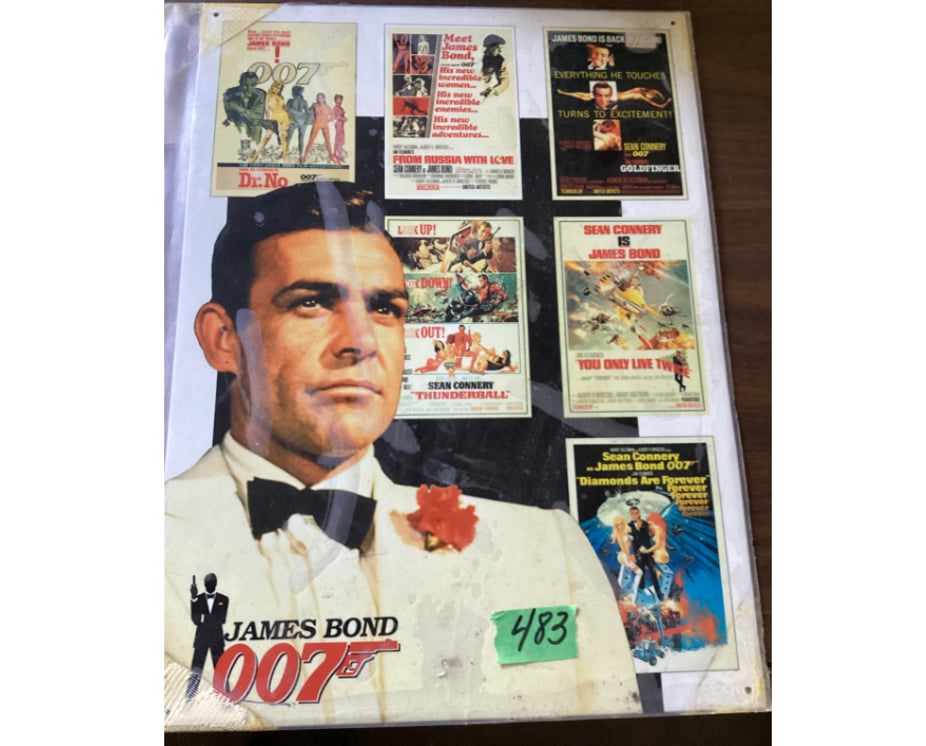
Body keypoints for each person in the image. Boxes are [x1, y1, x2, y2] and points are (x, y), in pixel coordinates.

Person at [165, 182, 639, 727]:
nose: (360, 341)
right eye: (311, 302)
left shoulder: (544, 550)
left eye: (384, 308)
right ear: (223, 338)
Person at [186, 573, 229, 701]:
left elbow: (221, 619)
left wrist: (203, 618)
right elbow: (195, 619)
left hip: (216, 640)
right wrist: (193, 598)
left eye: (212, 584)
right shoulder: (197, 599)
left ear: (215, 584)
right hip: (201, 639)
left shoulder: (224, 599)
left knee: (221, 670)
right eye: (208, 584)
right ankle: (189, 698)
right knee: (196, 670)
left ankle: (226, 699)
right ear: (204, 585)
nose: (210, 586)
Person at [247, 80, 291, 163]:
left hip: (285, 117)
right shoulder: (268, 96)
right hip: (274, 118)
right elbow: (267, 109)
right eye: (277, 87)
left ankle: (285, 157)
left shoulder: (281, 97)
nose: (278, 90)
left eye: (280, 88)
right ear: (273, 87)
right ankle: (255, 157)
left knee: (284, 137)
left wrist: (289, 116)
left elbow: (285, 108)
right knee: (267, 137)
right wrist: (268, 120)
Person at [222, 71, 267, 144]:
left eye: (252, 85)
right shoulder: (230, 94)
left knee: (256, 127)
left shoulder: (260, 94)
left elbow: (257, 117)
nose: (249, 89)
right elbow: (231, 117)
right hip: (237, 126)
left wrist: (237, 108)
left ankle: (254, 147)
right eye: (245, 85)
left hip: (253, 127)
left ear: (256, 84)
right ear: (240, 83)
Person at [556, 82, 672, 110]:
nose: (653, 93)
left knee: (584, 96)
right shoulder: (640, 90)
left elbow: (659, 106)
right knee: (584, 95)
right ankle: (565, 93)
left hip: (614, 97)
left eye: (654, 94)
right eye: (654, 92)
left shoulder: (641, 97)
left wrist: (666, 102)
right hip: (613, 94)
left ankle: (565, 93)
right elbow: (641, 89)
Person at [301, 92, 334, 164]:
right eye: (318, 97)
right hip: (317, 124)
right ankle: (304, 157)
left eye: (321, 97)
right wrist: (311, 119)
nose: (319, 99)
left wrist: (329, 120)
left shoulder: (327, 107)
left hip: (325, 124)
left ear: (324, 98)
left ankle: (331, 156)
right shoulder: (315, 105)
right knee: (311, 140)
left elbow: (333, 115)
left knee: (328, 141)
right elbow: (308, 112)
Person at [284, 85, 311, 159]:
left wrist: (290, 110)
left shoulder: (290, 101)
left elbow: (286, 110)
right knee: (299, 139)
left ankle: (286, 153)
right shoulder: (304, 102)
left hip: (294, 121)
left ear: (294, 93)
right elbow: (308, 113)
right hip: (300, 122)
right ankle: (300, 155)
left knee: (289, 138)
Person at [332, 93, 347, 166]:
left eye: (340, 99)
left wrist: (343, 119)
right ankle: (338, 157)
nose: (339, 101)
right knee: (340, 141)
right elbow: (336, 117)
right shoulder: (336, 107)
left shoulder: (339, 107)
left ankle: (335, 154)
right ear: (335, 100)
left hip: (341, 124)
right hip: (339, 124)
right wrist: (343, 118)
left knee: (338, 140)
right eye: (337, 99)